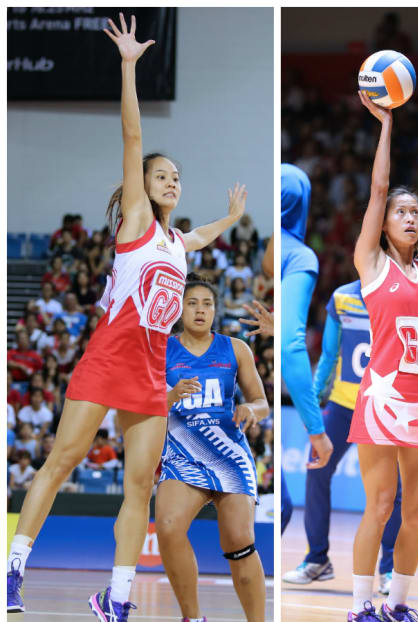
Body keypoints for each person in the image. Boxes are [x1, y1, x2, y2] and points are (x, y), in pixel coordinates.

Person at [6, 14, 247, 620]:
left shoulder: (176, 242)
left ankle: (116, 597)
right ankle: (13, 569)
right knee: (60, 463)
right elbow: (133, 136)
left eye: (176, 178)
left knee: (139, 486)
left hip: (149, 372)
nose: (172, 181)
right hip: (109, 357)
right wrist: (129, 66)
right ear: (143, 184)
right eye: (162, 175)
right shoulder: (136, 221)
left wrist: (230, 218)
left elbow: (203, 236)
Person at [346, 89, 418, 622]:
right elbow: (376, 188)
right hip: (381, 399)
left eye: (415, 212)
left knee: (417, 512)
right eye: (402, 212)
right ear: (385, 222)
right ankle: (359, 606)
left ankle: (397, 604)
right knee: (379, 507)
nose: (412, 218)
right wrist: (386, 126)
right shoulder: (371, 263)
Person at [155, 275, 269, 622]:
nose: (200, 310)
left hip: (229, 452)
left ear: (216, 310)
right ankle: (193, 618)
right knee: (168, 526)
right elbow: (141, 405)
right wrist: (170, 396)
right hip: (182, 453)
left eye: (207, 304)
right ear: (179, 309)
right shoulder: (162, 350)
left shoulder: (236, 349)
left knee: (238, 539)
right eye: (192, 303)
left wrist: (251, 409)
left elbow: (262, 402)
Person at [282, 279, 402, 595]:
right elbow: (329, 355)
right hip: (343, 405)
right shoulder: (342, 298)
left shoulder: (400, 293)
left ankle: (389, 569)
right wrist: (313, 401)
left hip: (384, 406)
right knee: (317, 470)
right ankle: (317, 559)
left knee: (392, 489)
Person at [279, 163, 334, 533]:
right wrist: (315, 429)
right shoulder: (299, 256)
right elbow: (290, 345)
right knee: (280, 509)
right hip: (250, 395)